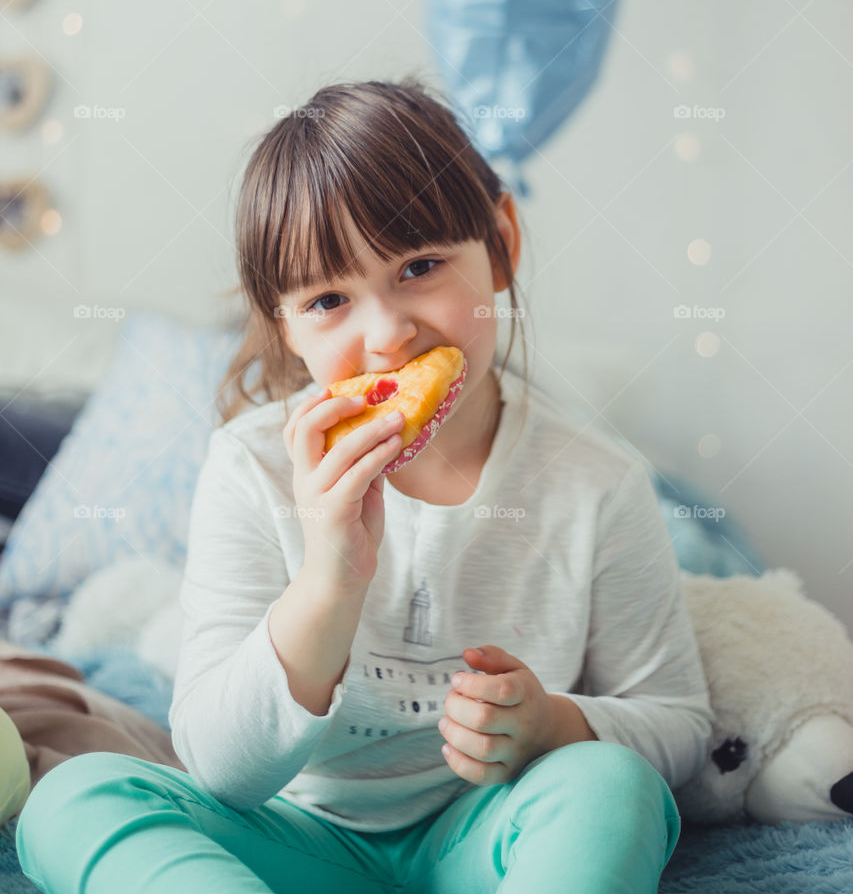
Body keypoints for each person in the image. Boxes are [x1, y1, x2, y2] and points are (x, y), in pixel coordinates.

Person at [16, 77, 713, 893]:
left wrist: (554, 724)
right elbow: (220, 769)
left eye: (419, 266)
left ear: (500, 243)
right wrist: (327, 580)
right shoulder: (252, 468)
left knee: (613, 785)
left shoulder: (597, 485)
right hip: (296, 836)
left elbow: (679, 724)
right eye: (328, 300)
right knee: (74, 797)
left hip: (490, 836)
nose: (387, 335)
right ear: (284, 327)